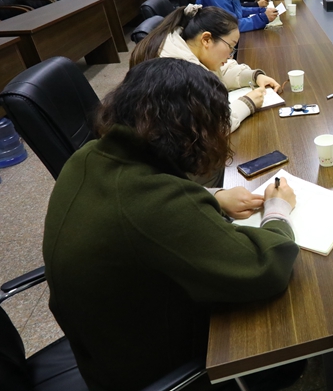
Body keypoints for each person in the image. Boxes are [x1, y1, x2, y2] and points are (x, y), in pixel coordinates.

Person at [43, 58, 301, 391]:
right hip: (149, 366)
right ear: (193, 132)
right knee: (289, 336)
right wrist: (278, 208)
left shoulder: (87, 155)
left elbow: (139, 203)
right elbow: (266, 268)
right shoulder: (155, 204)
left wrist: (213, 196)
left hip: (102, 346)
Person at [130, 4, 281, 133]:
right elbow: (210, 128)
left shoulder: (184, 43)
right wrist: (247, 103)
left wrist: (253, 76)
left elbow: (218, 73)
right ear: (206, 39)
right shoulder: (177, 72)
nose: (230, 55)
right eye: (230, 46)